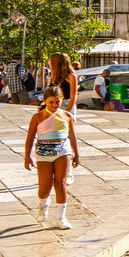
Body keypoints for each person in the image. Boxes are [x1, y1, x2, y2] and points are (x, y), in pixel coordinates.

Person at [23, 89, 79, 229]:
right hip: (43, 151)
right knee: (44, 187)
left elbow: (72, 135)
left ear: (61, 100)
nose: (54, 105)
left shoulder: (67, 115)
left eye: (57, 102)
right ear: (45, 102)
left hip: (62, 150)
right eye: (51, 102)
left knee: (60, 183)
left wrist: (76, 153)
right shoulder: (37, 117)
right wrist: (27, 156)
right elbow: (30, 138)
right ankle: (43, 205)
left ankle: (61, 217)